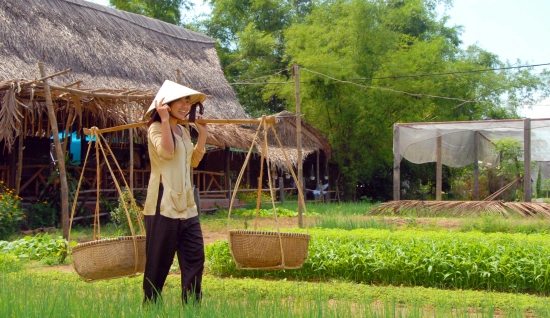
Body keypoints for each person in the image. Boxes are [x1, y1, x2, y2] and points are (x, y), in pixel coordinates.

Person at [141, 80, 208, 304]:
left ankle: (191, 306)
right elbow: (167, 153)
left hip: (187, 205)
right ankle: (151, 305)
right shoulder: (156, 128)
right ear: (166, 104)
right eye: (180, 101)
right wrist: (166, 121)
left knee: (195, 256)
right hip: (163, 203)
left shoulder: (185, 132)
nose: (185, 105)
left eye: (188, 101)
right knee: (159, 261)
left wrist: (203, 134)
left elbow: (193, 161)